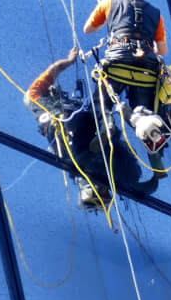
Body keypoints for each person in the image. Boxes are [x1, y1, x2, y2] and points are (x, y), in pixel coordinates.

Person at [26, 47, 156, 209]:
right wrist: (68, 61)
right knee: (100, 120)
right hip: (76, 133)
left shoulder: (45, 108)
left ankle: (101, 164)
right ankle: (107, 140)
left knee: (104, 149)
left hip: (75, 145)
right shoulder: (38, 100)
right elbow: (46, 78)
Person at [83, 0, 170, 149]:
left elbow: (88, 29)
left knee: (100, 102)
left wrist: (111, 21)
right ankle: (153, 142)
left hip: (116, 62)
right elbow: (162, 50)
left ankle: (106, 124)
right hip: (145, 69)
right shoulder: (156, 13)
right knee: (144, 110)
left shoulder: (110, 2)